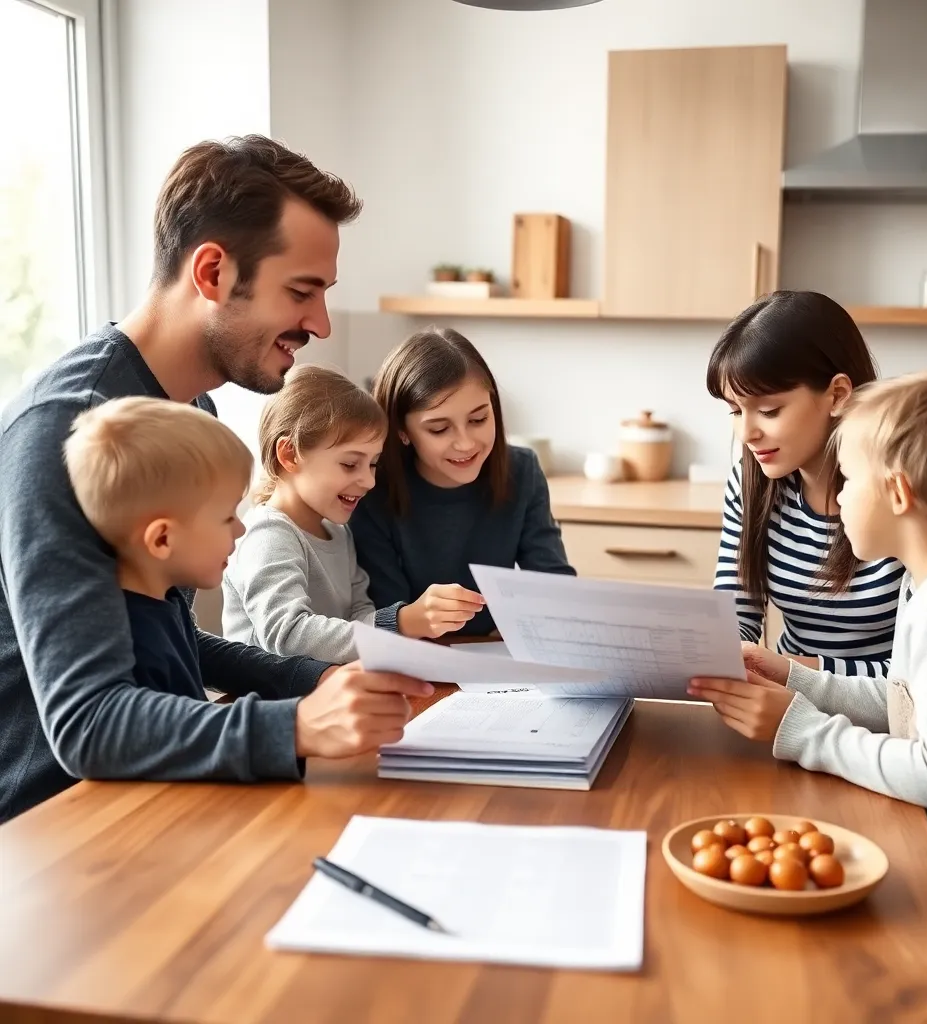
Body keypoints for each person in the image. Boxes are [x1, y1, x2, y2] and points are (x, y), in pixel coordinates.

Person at [0, 135, 431, 824]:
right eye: (302, 291)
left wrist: (318, 679)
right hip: (55, 831)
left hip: (160, 793)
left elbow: (166, 642)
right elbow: (88, 723)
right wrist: (296, 726)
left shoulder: (185, 412)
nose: (319, 323)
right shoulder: (66, 431)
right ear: (212, 273)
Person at [689, 368, 927, 1018]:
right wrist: (797, 678)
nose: (836, 500)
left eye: (849, 482)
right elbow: (911, 705)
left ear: (898, 493)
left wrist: (804, 731)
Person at [222, 364, 482, 660]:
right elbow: (287, 633)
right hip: (272, 702)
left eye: (373, 464)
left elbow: (360, 614)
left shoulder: (338, 532)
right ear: (290, 454)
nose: (369, 481)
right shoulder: (268, 534)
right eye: (350, 464)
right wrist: (402, 622)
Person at [708, 290, 903, 677]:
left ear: (838, 394)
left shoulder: (912, 490)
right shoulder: (752, 482)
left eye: (768, 410)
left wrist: (789, 671)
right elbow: (737, 617)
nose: (747, 432)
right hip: (787, 697)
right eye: (735, 410)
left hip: (891, 721)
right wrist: (723, 654)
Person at [350, 326, 575, 638]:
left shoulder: (522, 471)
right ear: (401, 431)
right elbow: (383, 614)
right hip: (414, 659)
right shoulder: (371, 489)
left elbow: (553, 583)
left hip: (497, 661)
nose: (466, 443)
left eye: (478, 419)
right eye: (440, 429)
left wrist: (529, 622)